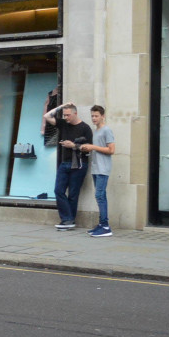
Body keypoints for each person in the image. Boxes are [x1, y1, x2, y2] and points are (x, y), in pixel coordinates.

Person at [42, 101, 92, 230]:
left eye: (68, 115)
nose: (66, 117)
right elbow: (47, 116)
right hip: (64, 163)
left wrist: (73, 146)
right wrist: (61, 106)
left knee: (73, 194)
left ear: (75, 114)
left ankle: (69, 220)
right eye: (64, 115)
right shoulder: (64, 124)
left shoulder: (85, 128)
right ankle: (68, 219)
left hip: (79, 164)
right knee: (58, 190)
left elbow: (89, 148)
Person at [79, 105, 116, 237]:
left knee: (99, 196)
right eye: (92, 116)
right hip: (96, 168)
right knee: (100, 196)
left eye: (96, 116)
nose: (94, 118)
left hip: (103, 168)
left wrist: (93, 146)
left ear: (102, 116)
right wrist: (88, 148)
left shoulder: (106, 130)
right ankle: (101, 224)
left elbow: (111, 150)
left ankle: (105, 226)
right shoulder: (97, 131)